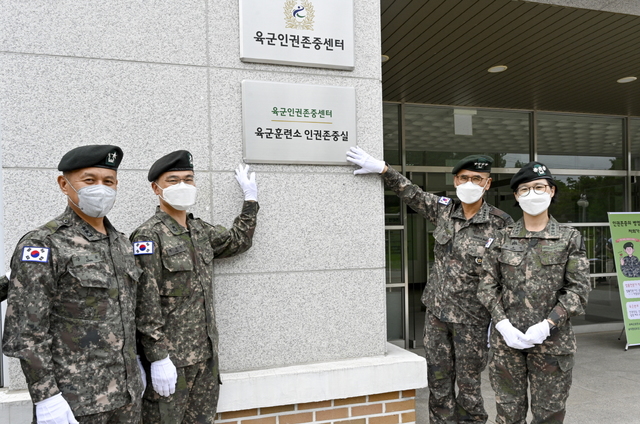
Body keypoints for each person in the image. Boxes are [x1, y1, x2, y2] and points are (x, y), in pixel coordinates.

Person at [347, 147, 513, 424]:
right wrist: (384, 170)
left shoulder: (501, 223)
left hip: (472, 320)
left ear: (487, 183)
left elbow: (507, 277)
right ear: (455, 181)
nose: (468, 184)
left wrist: (499, 321)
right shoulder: (444, 211)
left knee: (469, 386)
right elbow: (412, 193)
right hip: (437, 314)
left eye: (476, 178)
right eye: (463, 178)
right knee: (437, 380)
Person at [2, 145, 145, 424]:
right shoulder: (44, 243)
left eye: (108, 182)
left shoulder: (121, 244)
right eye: (89, 181)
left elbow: (128, 316)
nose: (101, 189)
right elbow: (27, 331)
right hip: (74, 402)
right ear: (64, 185)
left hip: (127, 398)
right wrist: (46, 396)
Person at [131, 150, 259, 423]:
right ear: (156, 188)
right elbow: (145, 301)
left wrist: (251, 200)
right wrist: (157, 358)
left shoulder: (200, 230)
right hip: (171, 362)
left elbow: (237, 241)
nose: (183, 186)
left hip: (205, 358)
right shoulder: (148, 235)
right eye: (173, 180)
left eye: (188, 179)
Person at [477, 161, 590, 424]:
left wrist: (547, 325)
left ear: (551, 191)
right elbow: (486, 286)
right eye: (525, 189)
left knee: (549, 416)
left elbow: (579, 290)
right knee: (508, 415)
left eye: (539, 187)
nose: (533, 193)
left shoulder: (569, 237)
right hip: (508, 344)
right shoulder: (501, 238)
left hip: (553, 345)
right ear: (516, 196)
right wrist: (502, 324)